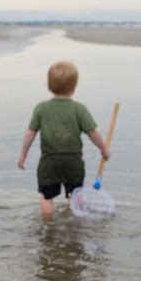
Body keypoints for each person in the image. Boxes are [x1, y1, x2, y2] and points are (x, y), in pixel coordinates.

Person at [17, 61, 110, 217]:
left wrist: (22, 155)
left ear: (48, 85)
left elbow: (30, 133)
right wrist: (104, 149)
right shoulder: (79, 109)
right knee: (76, 195)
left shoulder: (41, 108)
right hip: (73, 162)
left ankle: (47, 226)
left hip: (49, 162)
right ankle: (76, 225)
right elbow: (92, 132)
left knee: (47, 197)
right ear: (74, 87)